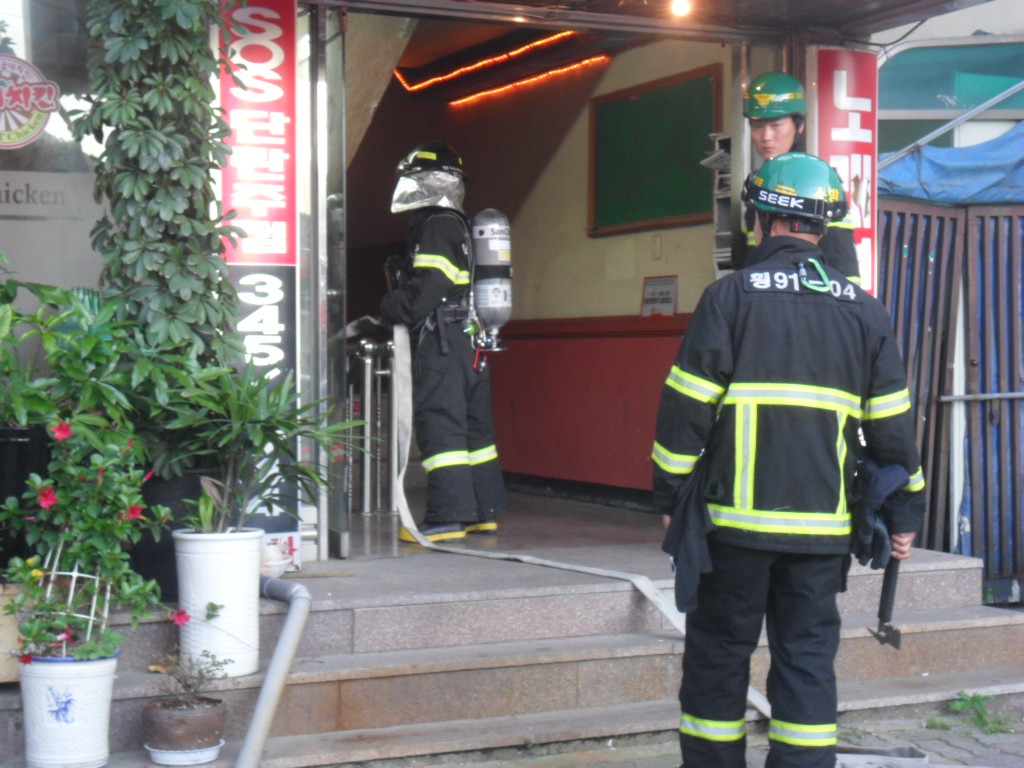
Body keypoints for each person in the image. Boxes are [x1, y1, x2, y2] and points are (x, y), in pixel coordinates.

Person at [651, 151, 926, 768]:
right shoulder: (865, 310)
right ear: (824, 227)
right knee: (807, 660)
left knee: (719, 656)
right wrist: (906, 514)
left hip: (732, 529)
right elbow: (893, 431)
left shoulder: (729, 297)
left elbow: (685, 414)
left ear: (759, 220)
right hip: (822, 532)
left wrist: (670, 498)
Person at [377, 141, 509, 543]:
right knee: (475, 431)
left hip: (443, 342)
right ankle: (483, 513)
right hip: (471, 340)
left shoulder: (435, 224)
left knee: (441, 425)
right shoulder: (460, 224)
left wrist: (390, 306)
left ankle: (448, 518)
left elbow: (429, 287)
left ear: (423, 181)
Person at [737, 71, 861, 283]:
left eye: (776, 125)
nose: (766, 136)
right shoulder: (756, 185)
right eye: (757, 126)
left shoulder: (821, 185)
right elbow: (747, 260)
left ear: (800, 125)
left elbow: (844, 267)